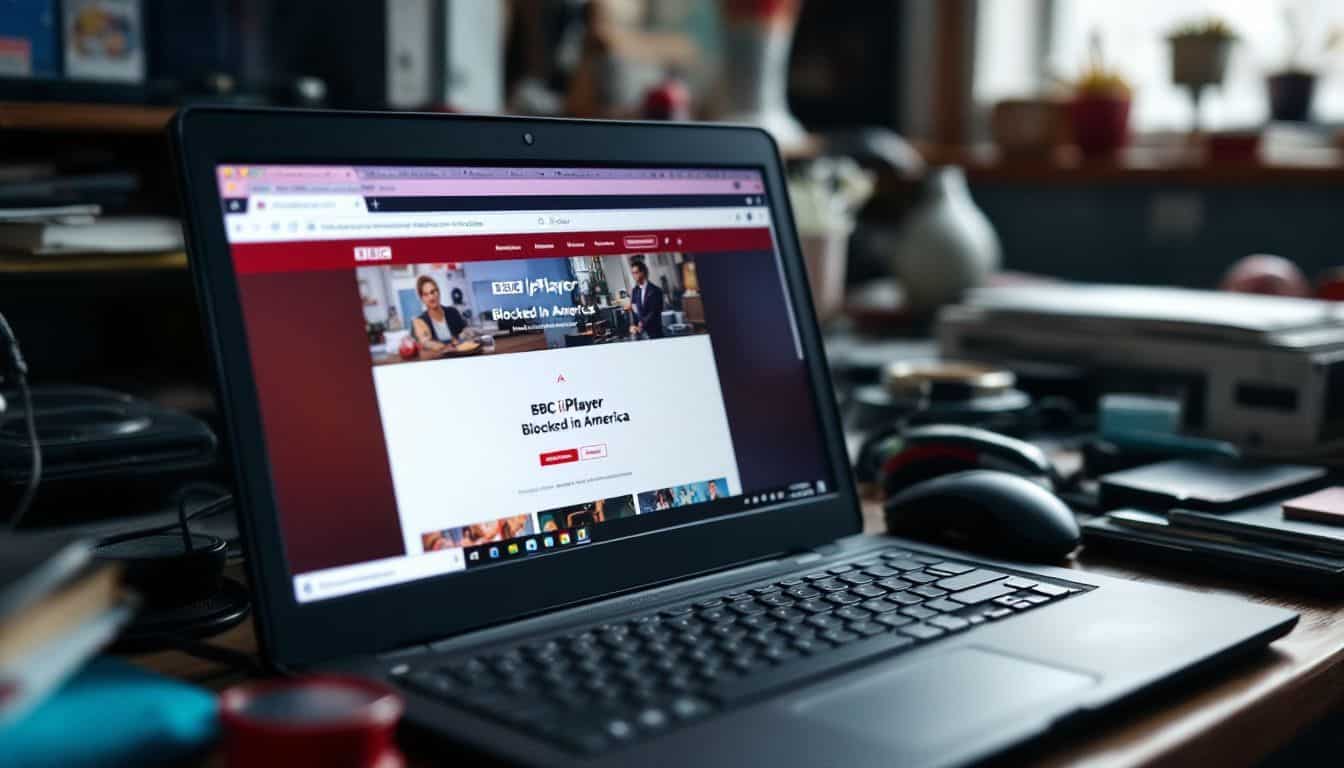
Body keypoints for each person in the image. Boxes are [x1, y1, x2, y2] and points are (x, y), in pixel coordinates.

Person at [411, 275, 467, 356]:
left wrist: (465, 334)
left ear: (438, 292)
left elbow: (464, 333)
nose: (431, 297)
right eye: (426, 294)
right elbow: (422, 345)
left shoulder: (453, 312)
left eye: (433, 292)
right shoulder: (419, 322)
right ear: (422, 299)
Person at [627, 260, 664, 339]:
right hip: (640, 334)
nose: (634, 276)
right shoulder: (635, 291)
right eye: (632, 273)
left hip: (654, 333)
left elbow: (654, 312)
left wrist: (642, 324)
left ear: (643, 272)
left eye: (636, 273)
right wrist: (633, 325)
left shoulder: (655, 290)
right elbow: (634, 309)